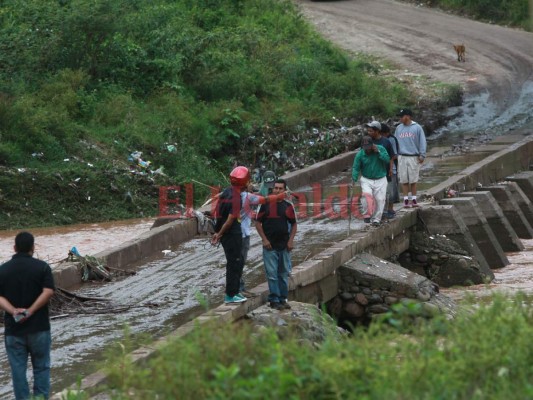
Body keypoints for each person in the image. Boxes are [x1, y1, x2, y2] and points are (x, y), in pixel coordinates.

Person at [212, 166, 285, 304]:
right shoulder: (240, 198)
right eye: (248, 180)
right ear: (245, 182)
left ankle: (234, 291)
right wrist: (220, 234)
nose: (250, 183)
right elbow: (230, 219)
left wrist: (218, 232)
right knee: (236, 264)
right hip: (235, 235)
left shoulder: (227, 193)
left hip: (229, 235)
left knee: (235, 263)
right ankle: (232, 293)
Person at [0, 232, 55, 400]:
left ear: (15, 248)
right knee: (41, 368)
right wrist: (31, 310)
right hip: (39, 328)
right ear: (33, 247)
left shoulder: (3, 270)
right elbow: (48, 291)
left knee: (18, 372)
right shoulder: (42, 267)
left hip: (14, 331)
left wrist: (13, 311)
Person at [255, 179, 297, 311]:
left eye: (280, 188)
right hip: (270, 246)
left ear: (284, 191)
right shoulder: (265, 205)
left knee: (283, 274)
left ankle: (283, 298)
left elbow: (294, 224)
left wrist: (291, 241)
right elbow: (257, 223)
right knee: (272, 274)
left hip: (284, 245)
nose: (277, 190)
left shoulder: (288, 206)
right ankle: (274, 299)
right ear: (272, 189)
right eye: (276, 188)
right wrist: (264, 240)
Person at [352, 135, 390, 226]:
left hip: (380, 178)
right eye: (365, 148)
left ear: (372, 145)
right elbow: (356, 168)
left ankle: (377, 219)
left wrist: (379, 153)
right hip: (366, 179)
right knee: (366, 197)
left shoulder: (380, 149)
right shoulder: (360, 154)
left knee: (380, 200)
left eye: (369, 147)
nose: (367, 150)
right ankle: (367, 215)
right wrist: (354, 178)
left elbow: (387, 160)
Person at [394, 108, 427, 208]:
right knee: (404, 180)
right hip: (402, 156)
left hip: (413, 156)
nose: (400, 118)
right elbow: (395, 142)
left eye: (402, 116)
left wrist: (422, 155)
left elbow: (422, 141)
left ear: (408, 116)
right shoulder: (399, 128)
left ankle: (414, 199)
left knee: (413, 180)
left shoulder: (417, 127)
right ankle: (405, 201)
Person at [380, 122, 400, 218]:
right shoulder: (378, 141)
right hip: (381, 169)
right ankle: (383, 210)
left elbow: (394, 155)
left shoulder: (391, 140)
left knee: (391, 191)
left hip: (392, 169)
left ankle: (390, 209)